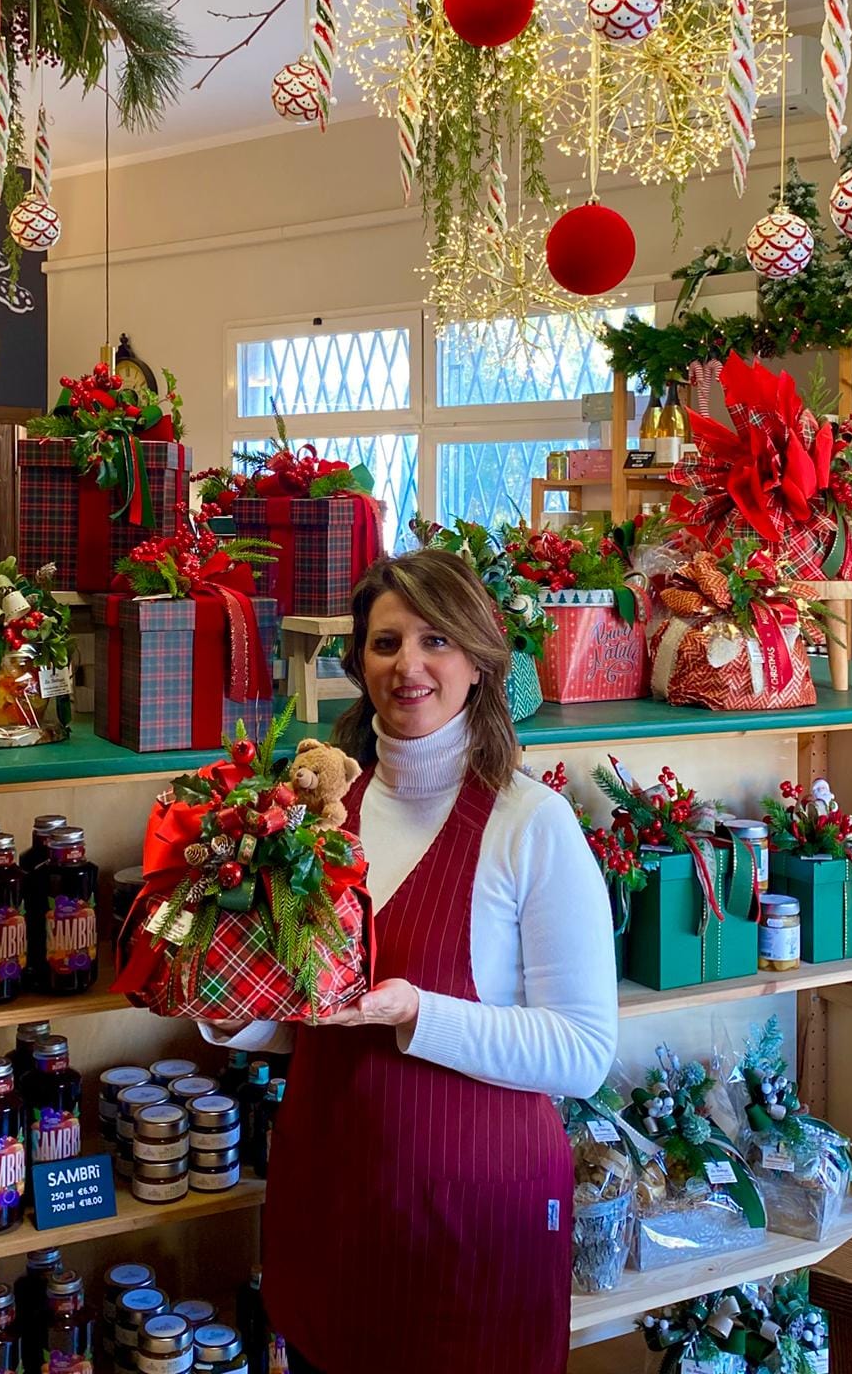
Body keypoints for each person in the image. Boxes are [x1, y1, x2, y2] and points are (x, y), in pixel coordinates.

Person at [205, 548, 619, 1374]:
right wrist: (231, 1014)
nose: (410, 665)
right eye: (387, 643)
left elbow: (583, 1052)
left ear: (477, 661)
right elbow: (307, 1014)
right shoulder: (319, 820)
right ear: (358, 661)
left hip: (473, 1222)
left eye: (436, 641)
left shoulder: (530, 825)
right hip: (335, 1198)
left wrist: (417, 1013)